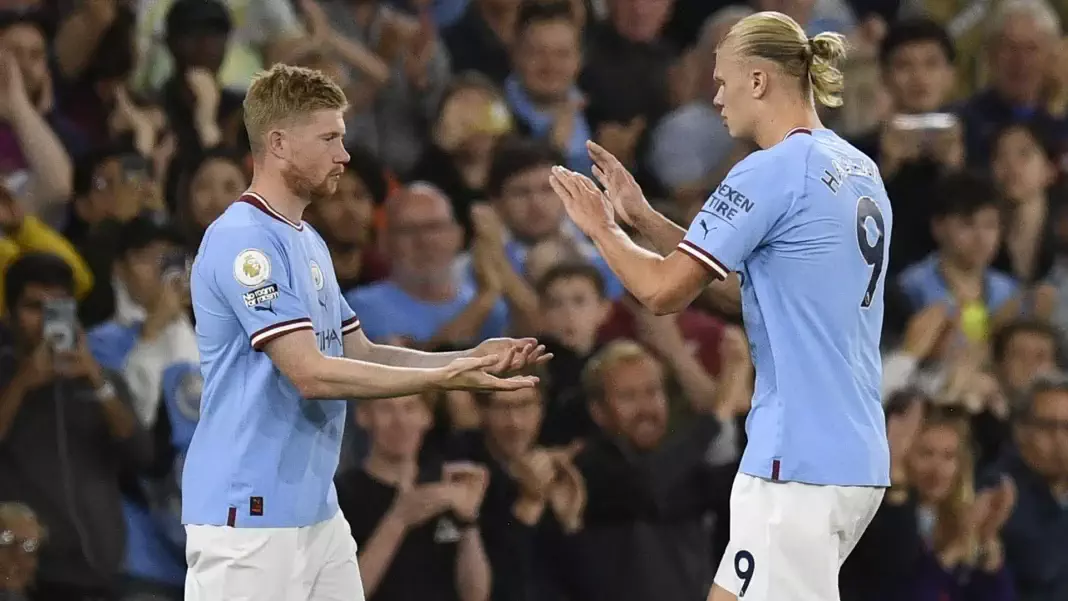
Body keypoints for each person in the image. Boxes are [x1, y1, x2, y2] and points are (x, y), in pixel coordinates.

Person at [547, 11, 892, 601]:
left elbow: (661, 292)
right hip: (852, 452)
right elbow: (749, 287)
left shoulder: (768, 171)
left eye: (722, 80)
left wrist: (600, 228)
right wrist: (643, 219)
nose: (715, 98)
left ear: (757, 80)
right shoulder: (859, 169)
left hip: (797, 458)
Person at [181, 63, 550, 601]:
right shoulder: (245, 241)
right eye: (328, 138)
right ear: (279, 143)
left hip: (314, 506)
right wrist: (442, 378)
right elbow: (309, 373)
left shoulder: (307, 240)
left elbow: (361, 351)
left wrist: (466, 360)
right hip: (250, 509)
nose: (344, 155)